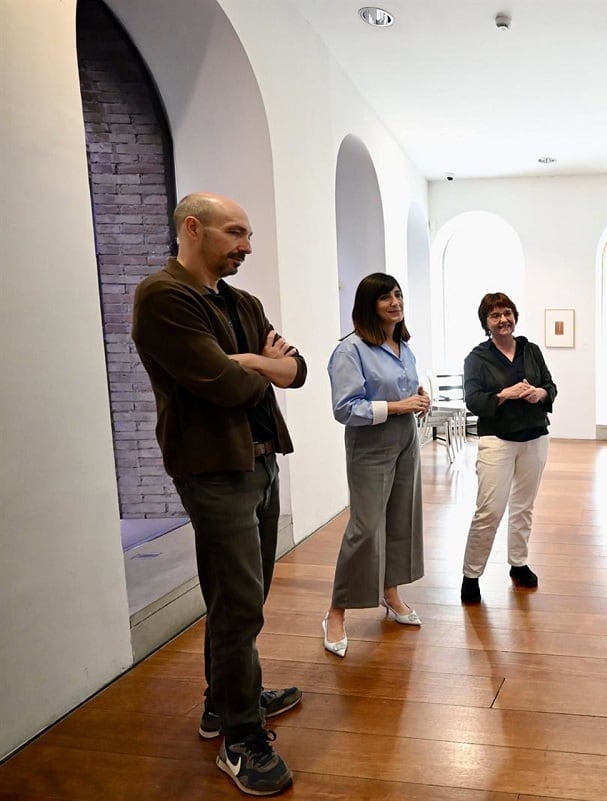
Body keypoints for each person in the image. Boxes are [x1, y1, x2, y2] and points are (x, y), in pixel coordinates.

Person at [132, 193, 305, 796]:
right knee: (239, 602)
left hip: (259, 463)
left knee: (244, 594)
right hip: (213, 470)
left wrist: (248, 361)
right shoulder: (162, 297)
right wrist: (262, 366)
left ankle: (222, 702)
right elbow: (223, 383)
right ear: (193, 228)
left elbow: (298, 369)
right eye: (236, 233)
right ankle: (240, 735)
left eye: (249, 234)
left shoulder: (240, 301)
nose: (247, 247)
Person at [323, 273, 430, 657]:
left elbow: (403, 389)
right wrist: (400, 406)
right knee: (365, 528)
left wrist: (418, 397)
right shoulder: (350, 350)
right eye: (385, 297)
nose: (394, 302)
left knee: (401, 518)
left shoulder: (402, 345)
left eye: (398, 294)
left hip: (406, 440)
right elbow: (345, 408)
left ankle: (391, 593)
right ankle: (336, 612)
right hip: (371, 445)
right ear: (369, 305)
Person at [460, 292, 557, 604]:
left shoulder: (531, 350)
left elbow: (550, 386)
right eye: (495, 315)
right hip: (497, 440)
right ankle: (471, 576)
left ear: (515, 316)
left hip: (535, 436)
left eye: (507, 313)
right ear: (486, 323)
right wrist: (504, 394)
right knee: (489, 510)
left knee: (523, 507)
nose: (503, 320)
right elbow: (473, 400)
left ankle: (519, 563)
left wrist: (539, 393)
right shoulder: (477, 358)